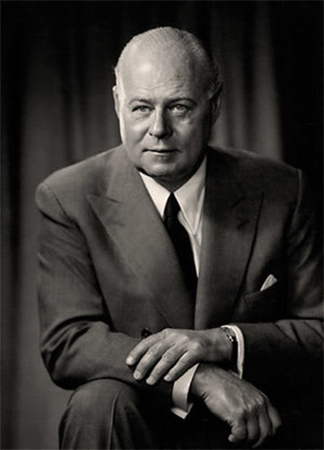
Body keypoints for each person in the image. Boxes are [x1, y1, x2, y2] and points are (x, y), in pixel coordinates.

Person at [35, 27, 323, 449]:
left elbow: (319, 330)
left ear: (215, 104)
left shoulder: (282, 190)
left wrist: (223, 343)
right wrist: (198, 376)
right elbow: (69, 342)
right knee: (96, 402)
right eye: (140, 108)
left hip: (258, 425)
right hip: (140, 422)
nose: (158, 129)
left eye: (180, 108)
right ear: (118, 103)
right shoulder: (68, 197)